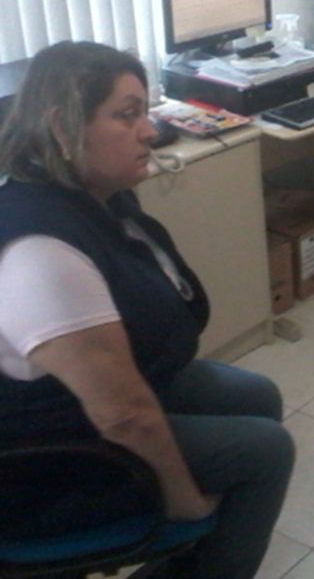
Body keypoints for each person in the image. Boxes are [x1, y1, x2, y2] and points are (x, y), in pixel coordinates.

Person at [0, 42, 295, 579]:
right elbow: (123, 414)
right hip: (55, 459)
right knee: (265, 451)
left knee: (258, 394)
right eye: (127, 115)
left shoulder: (97, 195)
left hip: (102, 395)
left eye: (146, 112)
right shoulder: (40, 253)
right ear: (63, 129)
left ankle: (201, 549)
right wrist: (181, 498)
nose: (150, 131)